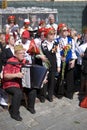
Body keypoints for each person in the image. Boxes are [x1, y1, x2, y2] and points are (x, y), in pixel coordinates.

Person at [2, 45, 26, 121]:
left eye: (23, 53)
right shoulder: (10, 62)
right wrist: (16, 75)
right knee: (18, 92)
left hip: (21, 83)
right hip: (9, 84)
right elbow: (5, 76)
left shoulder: (25, 62)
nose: (23, 55)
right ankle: (14, 113)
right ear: (15, 54)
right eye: (20, 53)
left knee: (33, 88)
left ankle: (30, 107)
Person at [55, 23, 77, 99]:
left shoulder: (71, 40)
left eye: (67, 30)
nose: (66, 31)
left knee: (70, 78)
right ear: (60, 31)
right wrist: (60, 60)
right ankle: (60, 93)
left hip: (70, 61)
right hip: (61, 62)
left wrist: (73, 60)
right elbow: (57, 53)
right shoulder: (57, 40)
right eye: (64, 30)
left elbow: (73, 51)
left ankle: (69, 93)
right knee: (61, 77)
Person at [41, 27, 61, 102]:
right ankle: (42, 96)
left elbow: (58, 55)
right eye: (51, 34)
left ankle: (50, 95)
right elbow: (40, 54)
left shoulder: (56, 44)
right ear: (47, 35)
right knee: (45, 81)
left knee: (52, 81)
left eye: (54, 34)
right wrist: (41, 57)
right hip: (45, 65)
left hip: (53, 64)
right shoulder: (43, 43)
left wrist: (58, 66)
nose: (53, 36)